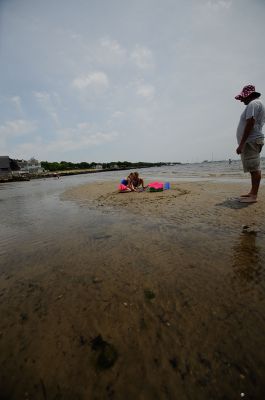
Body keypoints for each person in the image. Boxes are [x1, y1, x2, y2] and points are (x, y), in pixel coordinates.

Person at [235, 84, 265, 203]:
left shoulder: (253, 104)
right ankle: (252, 192)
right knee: (253, 168)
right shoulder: (258, 104)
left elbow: (250, 123)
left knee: (254, 168)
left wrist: (241, 144)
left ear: (249, 96)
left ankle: (254, 196)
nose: (242, 100)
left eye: (243, 97)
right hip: (254, 140)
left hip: (250, 140)